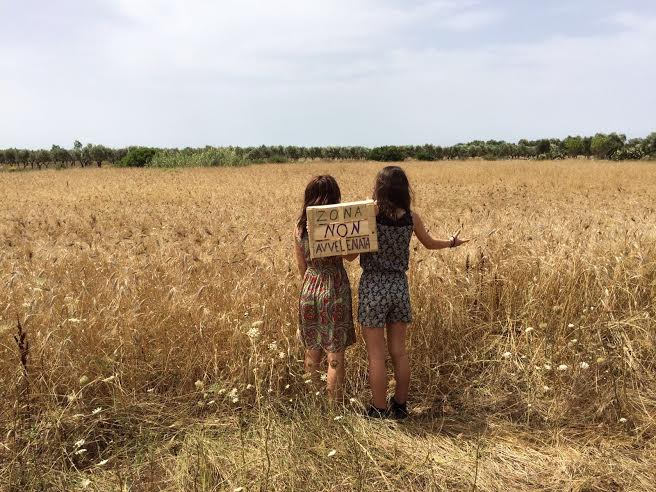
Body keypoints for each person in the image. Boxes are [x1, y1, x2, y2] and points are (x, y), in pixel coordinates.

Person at [358, 166, 467, 418]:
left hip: (373, 285)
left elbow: (351, 252)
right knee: (399, 351)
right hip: (399, 286)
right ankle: (400, 405)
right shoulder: (411, 218)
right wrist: (452, 243)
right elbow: (429, 243)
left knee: (376, 355)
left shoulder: (370, 216)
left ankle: (378, 408)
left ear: (380, 188)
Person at [294, 175, 357, 400]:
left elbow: (302, 266)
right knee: (335, 354)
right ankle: (333, 409)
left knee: (312, 350)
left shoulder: (299, 227)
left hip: (309, 287)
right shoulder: (337, 226)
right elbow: (351, 256)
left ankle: (313, 404)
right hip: (335, 287)